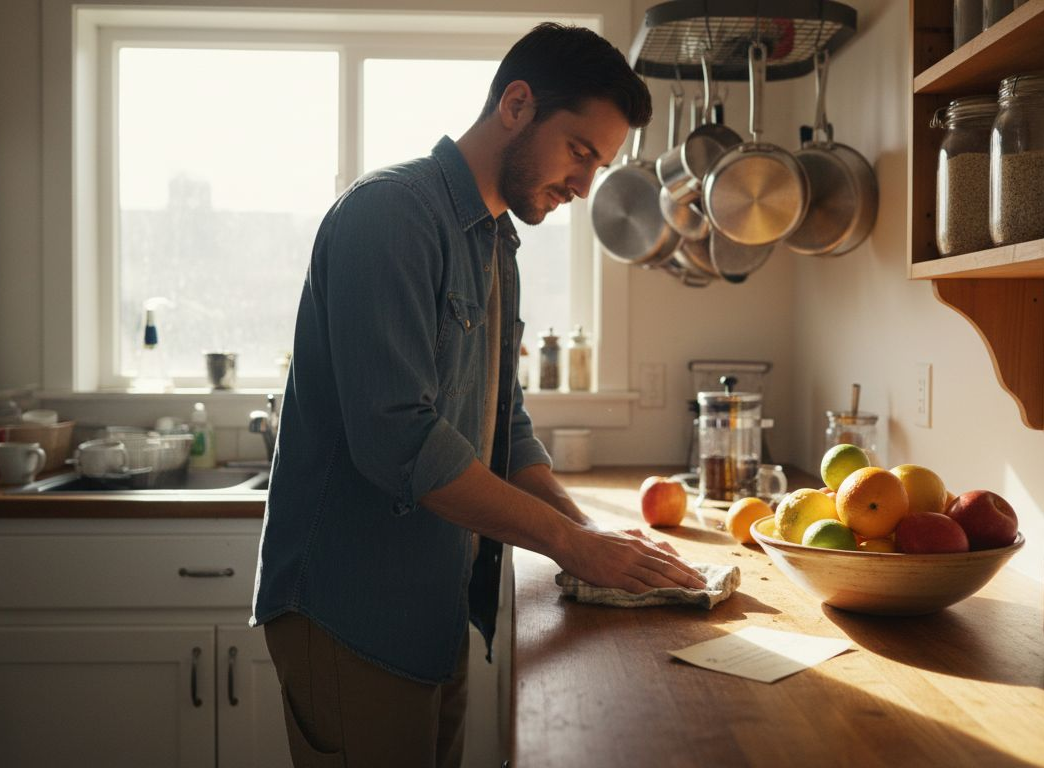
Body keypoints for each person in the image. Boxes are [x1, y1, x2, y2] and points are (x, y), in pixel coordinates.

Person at [251, 22, 706, 768]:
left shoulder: (493, 238)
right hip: (349, 612)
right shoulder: (390, 216)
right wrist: (569, 545)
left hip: (429, 605)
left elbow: (505, 421)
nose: (587, 186)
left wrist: (590, 531)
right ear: (517, 104)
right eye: (581, 153)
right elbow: (398, 438)